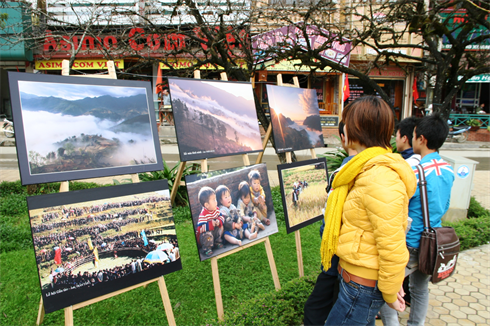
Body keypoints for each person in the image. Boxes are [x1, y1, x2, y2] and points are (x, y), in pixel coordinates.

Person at [321, 96, 417, 326]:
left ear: (357, 129)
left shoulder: (380, 176)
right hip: (356, 280)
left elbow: (392, 242)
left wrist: (391, 292)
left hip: (362, 286)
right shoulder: (364, 167)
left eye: (347, 123)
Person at [380, 113, 454, 326]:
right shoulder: (448, 169)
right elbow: (445, 205)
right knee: (420, 288)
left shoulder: (414, 170)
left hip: (411, 241)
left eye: (413, 135)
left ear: (421, 139)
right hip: (433, 241)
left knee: (387, 288)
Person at [303, 121, 357, 326]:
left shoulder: (347, 171)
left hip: (341, 255)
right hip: (352, 257)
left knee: (316, 307)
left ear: (345, 138)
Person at [195, 186, 224, 257]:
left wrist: (218, 221)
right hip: (204, 238)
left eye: (215, 199)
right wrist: (211, 224)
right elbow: (200, 229)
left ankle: (217, 242)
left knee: (221, 227)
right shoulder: (203, 214)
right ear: (206, 205)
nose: (216, 201)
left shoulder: (216, 209)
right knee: (207, 234)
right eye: (213, 200)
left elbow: (222, 217)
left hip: (213, 234)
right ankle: (206, 248)